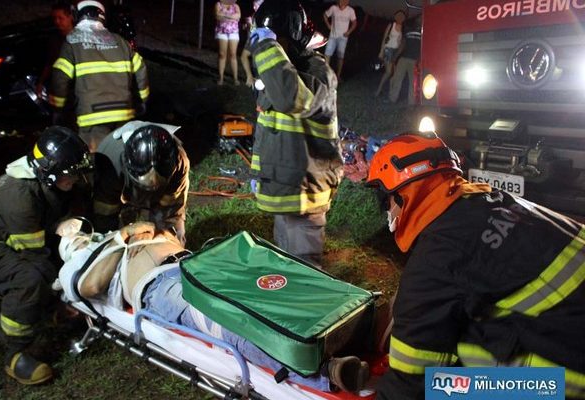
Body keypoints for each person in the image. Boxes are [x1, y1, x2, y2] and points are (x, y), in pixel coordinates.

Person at [366, 132, 585, 399]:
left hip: (569, 377)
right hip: (571, 325)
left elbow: (409, 386)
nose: (387, 212)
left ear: (402, 196)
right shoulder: (493, 200)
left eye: (385, 201)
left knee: (459, 355)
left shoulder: (434, 264)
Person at [57, 221, 370, 393]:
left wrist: (137, 233)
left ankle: (360, 315)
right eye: (76, 244)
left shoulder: (120, 234)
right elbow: (89, 288)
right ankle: (327, 371)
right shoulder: (78, 265)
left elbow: (169, 234)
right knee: (229, 321)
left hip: (200, 265)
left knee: (275, 285)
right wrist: (119, 240)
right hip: (160, 288)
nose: (82, 241)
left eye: (82, 238)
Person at [0, 127, 92, 385]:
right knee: (29, 279)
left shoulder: (45, 181)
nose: (76, 179)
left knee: (55, 260)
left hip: (5, 233)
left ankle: (53, 313)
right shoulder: (19, 197)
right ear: (48, 172)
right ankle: (15, 353)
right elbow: (36, 257)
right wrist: (63, 296)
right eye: (70, 174)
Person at [247, 0, 342, 267]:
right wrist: (258, 173)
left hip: (306, 194)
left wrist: (266, 47)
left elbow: (292, 97)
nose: (271, 49)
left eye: (276, 42)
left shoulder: (317, 72)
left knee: (306, 274)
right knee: (285, 265)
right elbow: (266, 130)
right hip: (285, 190)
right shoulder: (278, 73)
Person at [49, 0, 150, 151]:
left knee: (98, 162)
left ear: (78, 16)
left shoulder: (72, 42)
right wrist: (143, 100)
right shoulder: (120, 41)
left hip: (92, 117)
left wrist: (58, 108)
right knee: (123, 157)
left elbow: (60, 78)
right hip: (124, 113)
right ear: (102, 17)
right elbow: (141, 69)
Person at [92, 121, 189, 245]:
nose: (153, 183)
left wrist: (161, 234)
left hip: (156, 177)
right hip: (114, 178)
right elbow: (104, 213)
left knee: (170, 234)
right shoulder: (110, 163)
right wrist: (117, 239)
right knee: (107, 225)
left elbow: (170, 207)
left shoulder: (179, 161)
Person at [36, 2, 75, 101]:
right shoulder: (54, 40)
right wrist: (41, 83)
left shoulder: (81, 38)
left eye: (60, 18)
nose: (57, 22)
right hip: (61, 89)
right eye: (54, 18)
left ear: (70, 17)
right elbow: (50, 63)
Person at [388, 15, 421, 105]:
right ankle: (392, 99)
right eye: (419, 18)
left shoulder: (424, 32)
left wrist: (420, 61)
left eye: (422, 19)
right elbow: (403, 45)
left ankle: (411, 104)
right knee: (397, 79)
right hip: (404, 58)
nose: (420, 20)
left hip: (415, 61)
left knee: (413, 83)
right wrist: (396, 56)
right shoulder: (408, 31)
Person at [323, 0, 357, 81]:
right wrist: (328, 25)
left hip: (343, 38)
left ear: (347, 1)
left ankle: (338, 75)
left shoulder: (350, 11)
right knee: (327, 55)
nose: (342, 1)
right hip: (333, 36)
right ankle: (326, 74)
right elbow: (325, 15)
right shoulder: (333, 8)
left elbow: (354, 23)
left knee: (340, 57)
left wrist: (349, 32)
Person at [374, 10, 405, 98]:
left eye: (402, 16)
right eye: (399, 16)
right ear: (395, 17)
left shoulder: (403, 27)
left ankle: (391, 92)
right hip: (388, 49)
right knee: (388, 72)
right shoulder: (391, 25)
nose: (400, 17)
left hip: (396, 51)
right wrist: (381, 51)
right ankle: (378, 90)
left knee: (394, 73)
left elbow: (401, 42)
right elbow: (384, 37)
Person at [215, 0, 241, 85]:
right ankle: (221, 78)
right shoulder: (218, 5)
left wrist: (224, 16)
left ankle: (235, 79)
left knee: (233, 55)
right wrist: (231, 16)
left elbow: (238, 16)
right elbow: (218, 16)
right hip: (221, 32)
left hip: (233, 32)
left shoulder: (236, 6)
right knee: (222, 54)